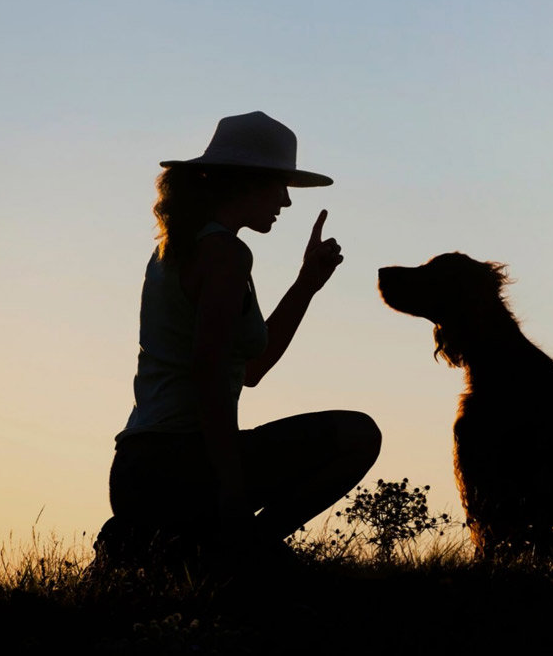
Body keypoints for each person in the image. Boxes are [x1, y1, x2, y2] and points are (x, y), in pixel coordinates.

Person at [101, 111, 381, 570]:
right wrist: (231, 488)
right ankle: (238, 549)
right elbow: (208, 373)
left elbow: (249, 371)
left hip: (141, 469)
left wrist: (307, 283)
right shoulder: (226, 253)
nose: (287, 202)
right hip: (180, 461)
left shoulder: (179, 249)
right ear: (246, 182)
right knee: (358, 435)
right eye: (279, 185)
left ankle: (192, 546)